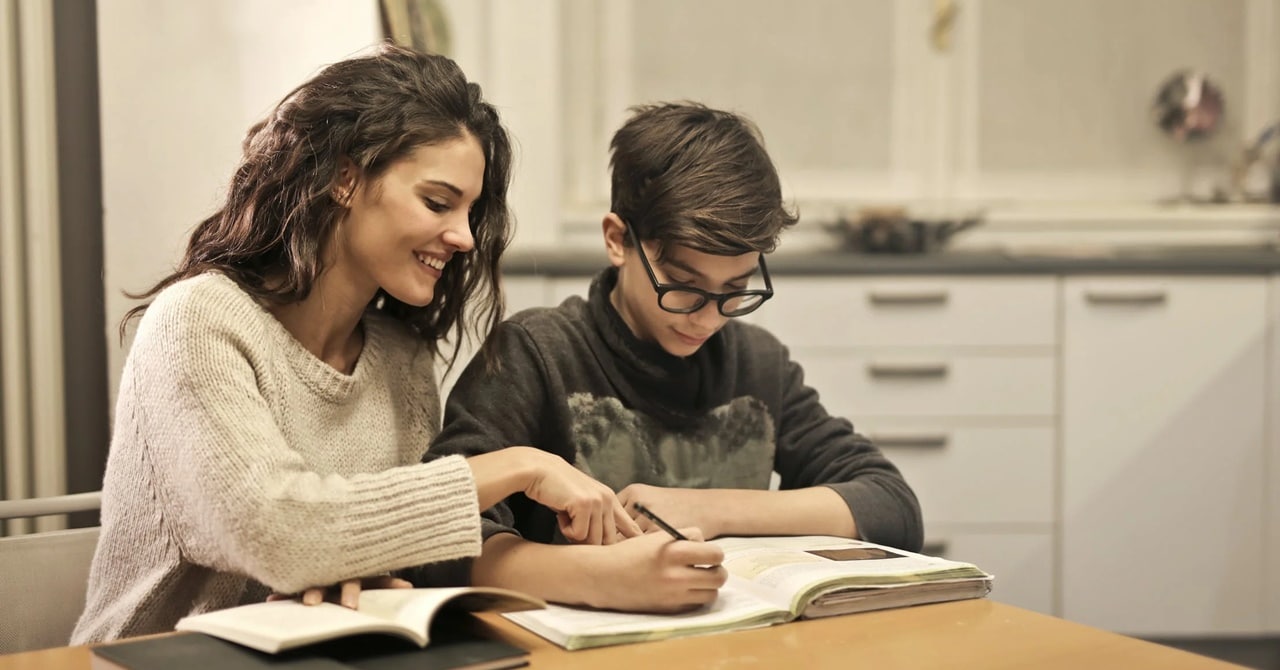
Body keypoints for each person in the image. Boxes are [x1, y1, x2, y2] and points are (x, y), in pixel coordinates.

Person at [72, 43, 638, 644]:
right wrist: (520, 465)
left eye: (471, 212)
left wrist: (360, 576)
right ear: (345, 176)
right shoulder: (197, 323)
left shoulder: (401, 358)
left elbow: (371, 554)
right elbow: (280, 532)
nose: (464, 237)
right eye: (439, 202)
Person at [423, 102, 923, 613]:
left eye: (735, 288)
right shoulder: (536, 354)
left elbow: (890, 504)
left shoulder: (757, 363)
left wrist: (708, 508)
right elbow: (431, 538)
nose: (707, 319)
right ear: (617, 239)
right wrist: (598, 577)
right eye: (683, 288)